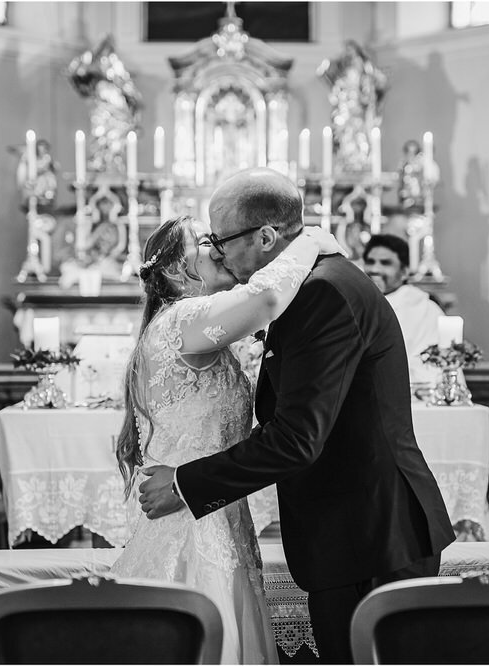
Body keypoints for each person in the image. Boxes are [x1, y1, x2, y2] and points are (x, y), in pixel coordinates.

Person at [137, 168, 455, 664]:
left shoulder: (322, 294)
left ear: (265, 237)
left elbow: (296, 439)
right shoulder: (311, 286)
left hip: (370, 535)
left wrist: (185, 483)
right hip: (357, 532)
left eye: (222, 241)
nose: (218, 253)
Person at [110, 213, 342, 664]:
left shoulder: (184, 327)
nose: (217, 246)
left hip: (213, 512)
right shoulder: (183, 319)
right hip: (196, 529)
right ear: (178, 269)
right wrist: (309, 241)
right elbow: (268, 295)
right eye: (203, 241)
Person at [362, 233, 444, 386]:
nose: (375, 269)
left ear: (405, 271)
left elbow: (435, 368)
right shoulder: (355, 305)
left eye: (385, 263)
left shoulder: (426, 309)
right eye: (370, 261)